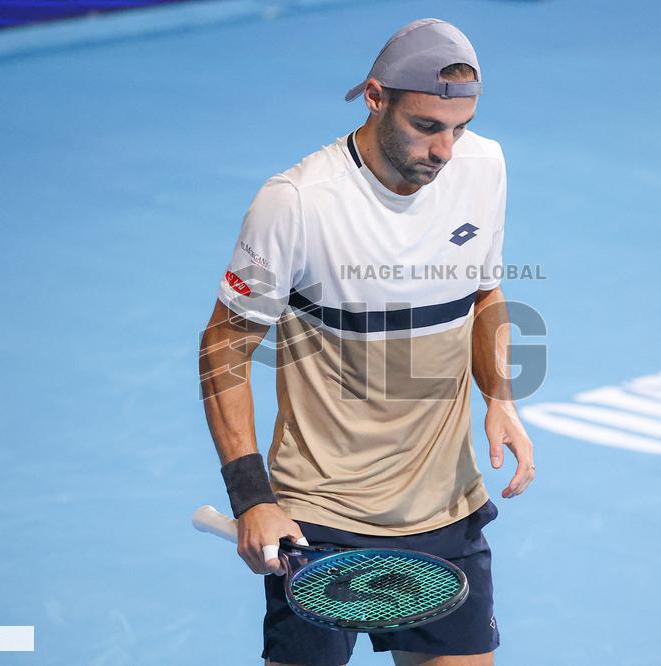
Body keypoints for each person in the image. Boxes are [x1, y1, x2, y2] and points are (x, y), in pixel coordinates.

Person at [199, 18, 536, 666]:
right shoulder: (296, 203)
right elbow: (224, 346)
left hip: (444, 508)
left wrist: (500, 398)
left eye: (458, 129)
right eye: (427, 127)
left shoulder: (483, 167)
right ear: (376, 98)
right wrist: (252, 498)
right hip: (320, 517)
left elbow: (485, 293)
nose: (445, 151)